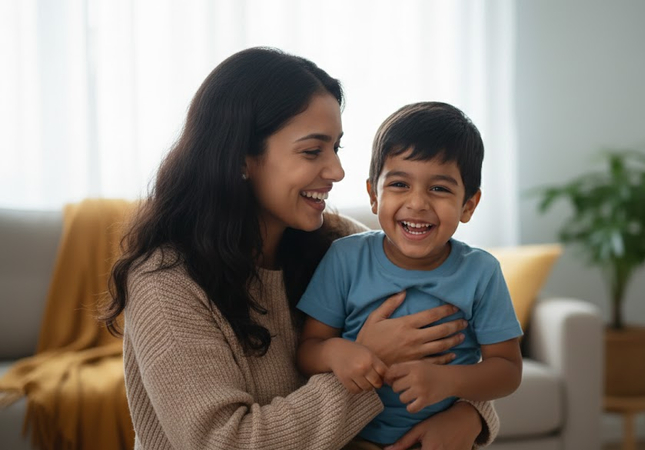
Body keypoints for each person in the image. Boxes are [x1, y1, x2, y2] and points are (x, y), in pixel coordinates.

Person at [102, 47, 499, 450]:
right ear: (241, 158)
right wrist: (369, 363)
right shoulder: (166, 282)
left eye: (336, 148)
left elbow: (455, 344)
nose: (337, 171)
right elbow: (226, 442)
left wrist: (470, 414)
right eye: (312, 151)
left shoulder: (341, 243)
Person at [296, 102, 524, 449]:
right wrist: (338, 353)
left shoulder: (481, 272)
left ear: (469, 205)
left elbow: (507, 370)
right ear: (374, 195)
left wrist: (448, 381)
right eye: (400, 184)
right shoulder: (344, 258)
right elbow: (308, 350)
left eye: (440, 189)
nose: (417, 203)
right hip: (352, 440)